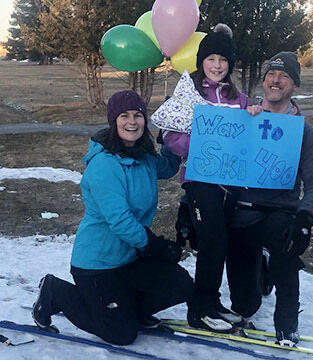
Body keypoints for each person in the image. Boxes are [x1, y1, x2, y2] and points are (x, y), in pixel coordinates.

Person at [31, 90, 194, 345]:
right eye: (124, 116)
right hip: (99, 266)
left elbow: (169, 166)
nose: (132, 122)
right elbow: (120, 221)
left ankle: (133, 311)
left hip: (130, 258)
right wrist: (156, 246)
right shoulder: (104, 165)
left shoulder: (144, 157)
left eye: (138, 115)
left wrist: (169, 133)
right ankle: (55, 292)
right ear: (113, 121)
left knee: (181, 284)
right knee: (122, 334)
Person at [226, 52, 313, 346]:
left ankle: (287, 324)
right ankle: (259, 271)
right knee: (245, 303)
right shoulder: (245, 119)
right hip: (244, 209)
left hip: (282, 210)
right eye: (272, 74)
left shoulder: (303, 131)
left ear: (294, 86)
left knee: (286, 249)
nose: (276, 80)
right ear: (264, 80)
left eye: (284, 76)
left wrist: (306, 218)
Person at [162, 23, 250, 332]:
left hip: (230, 182)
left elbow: (247, 139)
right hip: (199, 180)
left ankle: (212, 302)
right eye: (211, 59)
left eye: (223, 61)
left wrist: (253, 119)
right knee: (212, 242)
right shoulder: (190, 94)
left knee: (221, 243)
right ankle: (199, 310)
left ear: (230, 65)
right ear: (202, 62)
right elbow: (170, 137)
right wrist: (201, 145)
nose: (217, 66)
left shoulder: (239, 99)